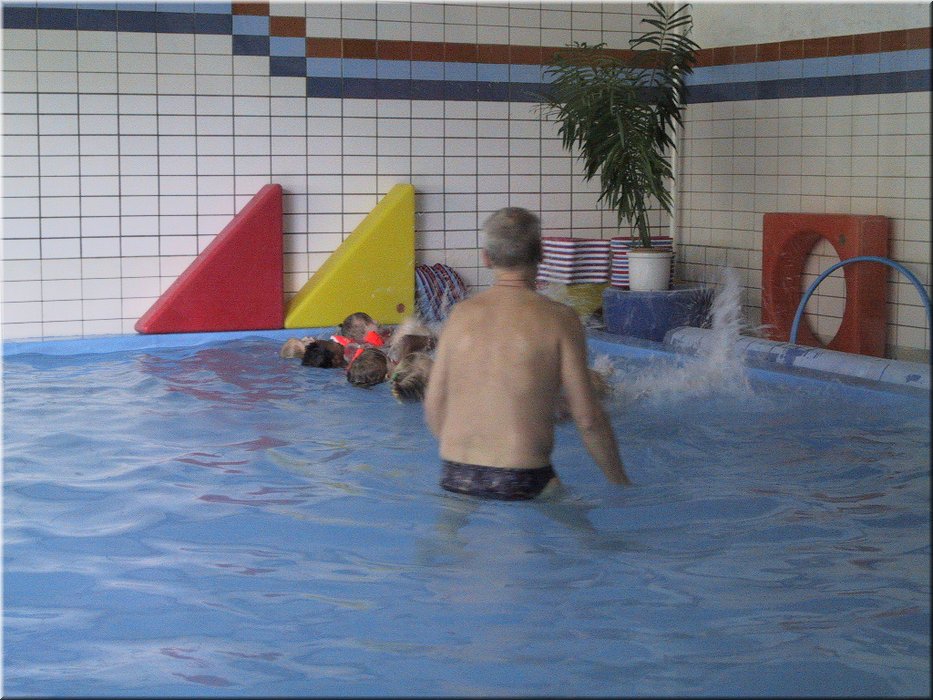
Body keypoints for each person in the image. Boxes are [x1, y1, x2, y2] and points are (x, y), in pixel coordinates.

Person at [424, 207, 631, 501]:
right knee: (581, 526)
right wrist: (619, 480)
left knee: (449, 526)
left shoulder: (459, 315)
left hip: (457, 472)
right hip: (524, 475)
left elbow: (434, 404)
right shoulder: (560, 318)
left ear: (486, 258)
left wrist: (465, 453)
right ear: (541, 254)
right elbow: (588, 418)